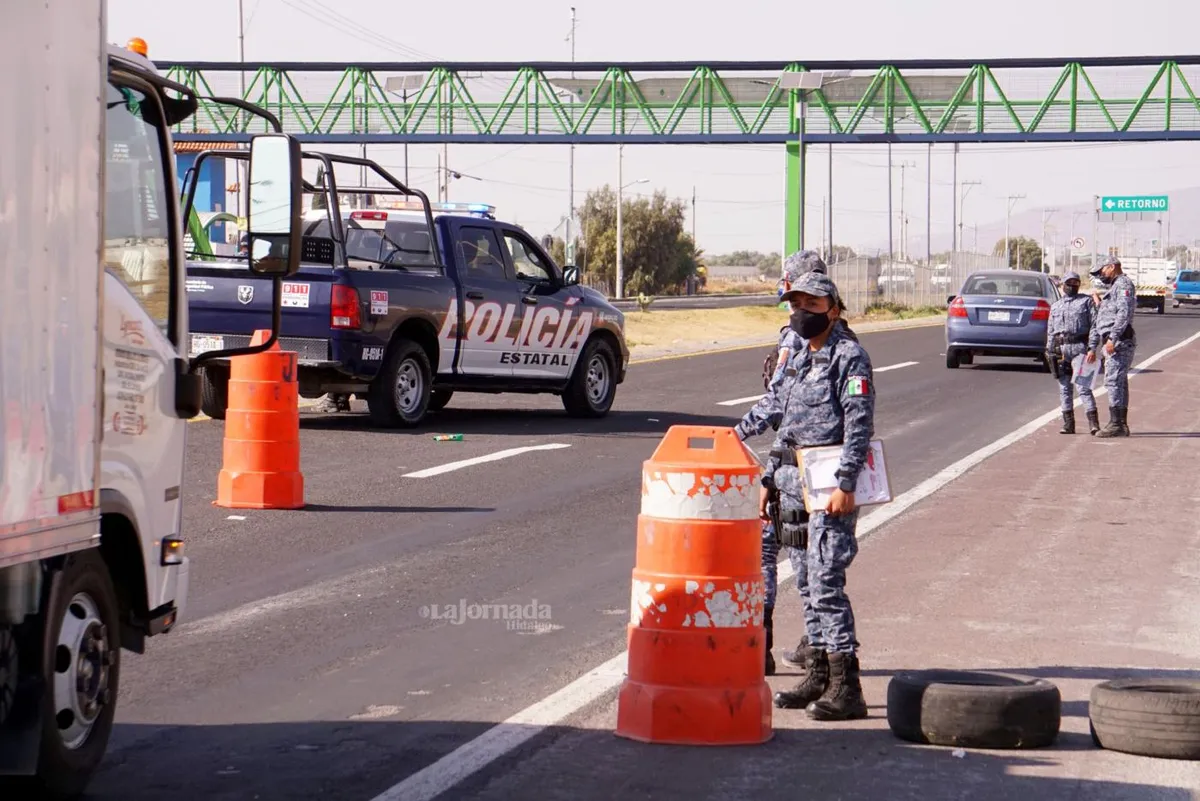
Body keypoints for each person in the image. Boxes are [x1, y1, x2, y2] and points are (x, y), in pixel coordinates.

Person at [745, 270, 874, 721]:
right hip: (793, 485)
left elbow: (859, 425)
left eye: (813, 306)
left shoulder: (849, 357)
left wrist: (846, 484)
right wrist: (764, 474)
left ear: (833, 311)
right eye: (796, 305)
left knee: (826, 582)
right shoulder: (799, 357)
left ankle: (847, 686)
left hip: (829, 487)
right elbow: (777, 415)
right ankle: (818, 673)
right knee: (804, 581)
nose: (802, 313)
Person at [739, 249, 851, 677]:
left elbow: (777, 404)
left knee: (789, 558)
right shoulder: (836, 337)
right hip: (789, 464)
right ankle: (815, 651)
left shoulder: (804, 341)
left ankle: (783, 648)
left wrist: (735, 434)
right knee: (809, 566)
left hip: (809, 472)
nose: (800, 308)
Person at [1088, 255, 1136, 437]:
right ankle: (1120, 423)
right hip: (1117, 339)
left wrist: (1112, 339)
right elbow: (1112, 312)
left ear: (1112, 267)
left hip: (1119, 340)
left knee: (1114, 381)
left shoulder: (1123, 285)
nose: (1101, 275)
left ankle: (1117, 424)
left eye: (1102, 271)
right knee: (1119, 382)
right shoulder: (1116, 286)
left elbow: (1124, 314)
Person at [1046, 271, 1099, 435]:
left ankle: (1093, 424)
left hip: (1080, 349)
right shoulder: (1055, 306)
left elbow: (1095, 326)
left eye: (1076, 283)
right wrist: (1049, 351)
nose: (1072, 286)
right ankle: (1068, 424)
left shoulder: (1086, 302)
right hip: (1061, 351)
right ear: (1062, 285)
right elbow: (1051, 331)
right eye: (1069, 283)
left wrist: (1092, 348)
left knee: (1084, 387)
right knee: (1064, 388)